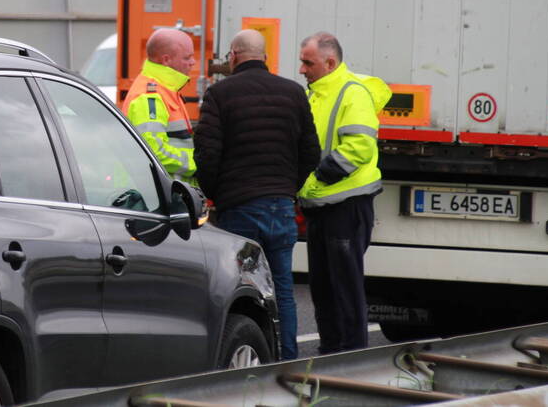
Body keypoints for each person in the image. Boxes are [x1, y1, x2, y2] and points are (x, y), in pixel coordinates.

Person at [194, 29, 319, 360]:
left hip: (238, 210)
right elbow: (311, 152)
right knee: (282, 289)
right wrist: (286, 187)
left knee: (241, 290)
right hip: (280, 207)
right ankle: (289, 361)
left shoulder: (220, 94)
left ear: (234, 56)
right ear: (265, 57)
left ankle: (245, 355)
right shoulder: (293, 93)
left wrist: (216, 194)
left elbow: (207, 154)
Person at [297, 31, 391, 354]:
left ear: (329, 62)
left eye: (307, 62)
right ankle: (331, 351)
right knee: (323, 286)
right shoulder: (316, 93)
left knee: (345, 286)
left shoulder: (353, 93)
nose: (302, 69)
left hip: (345, 204)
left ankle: (351, 357)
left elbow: (359, 147)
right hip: (322, 204)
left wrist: (319, 177)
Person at [122, 28, 197, 183]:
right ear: (166, 60)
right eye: (187, 57)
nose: (193, 62)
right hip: (155, 198)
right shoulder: (150, 96)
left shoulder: (165, 89)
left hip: (166, 193)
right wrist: (197, 163)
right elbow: (155, 151)